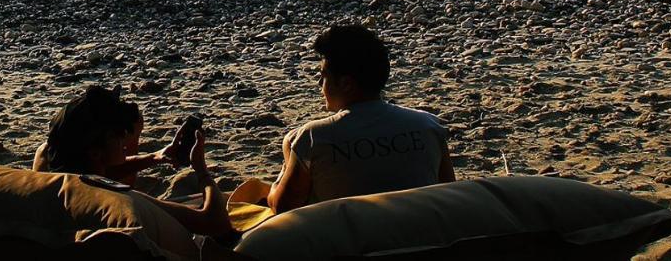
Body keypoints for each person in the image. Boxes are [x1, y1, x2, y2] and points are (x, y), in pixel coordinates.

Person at [265, 24, 454, 213]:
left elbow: (282, 207)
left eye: (324, 76)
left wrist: (288, 154)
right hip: (419, 235)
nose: (320, 84)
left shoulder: (314, 136)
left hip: (349, 239)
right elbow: (449, 194)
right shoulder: (428, 125)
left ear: (346, 84)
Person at [33, 85, 230, 237]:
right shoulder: (121, 201)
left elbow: (93, 175)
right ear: (94, 152)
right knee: (223, 199)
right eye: (117, 134)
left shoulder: (48, 181)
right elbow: (214, 223)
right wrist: (202, 171)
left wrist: (155, 157)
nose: (123, 140)